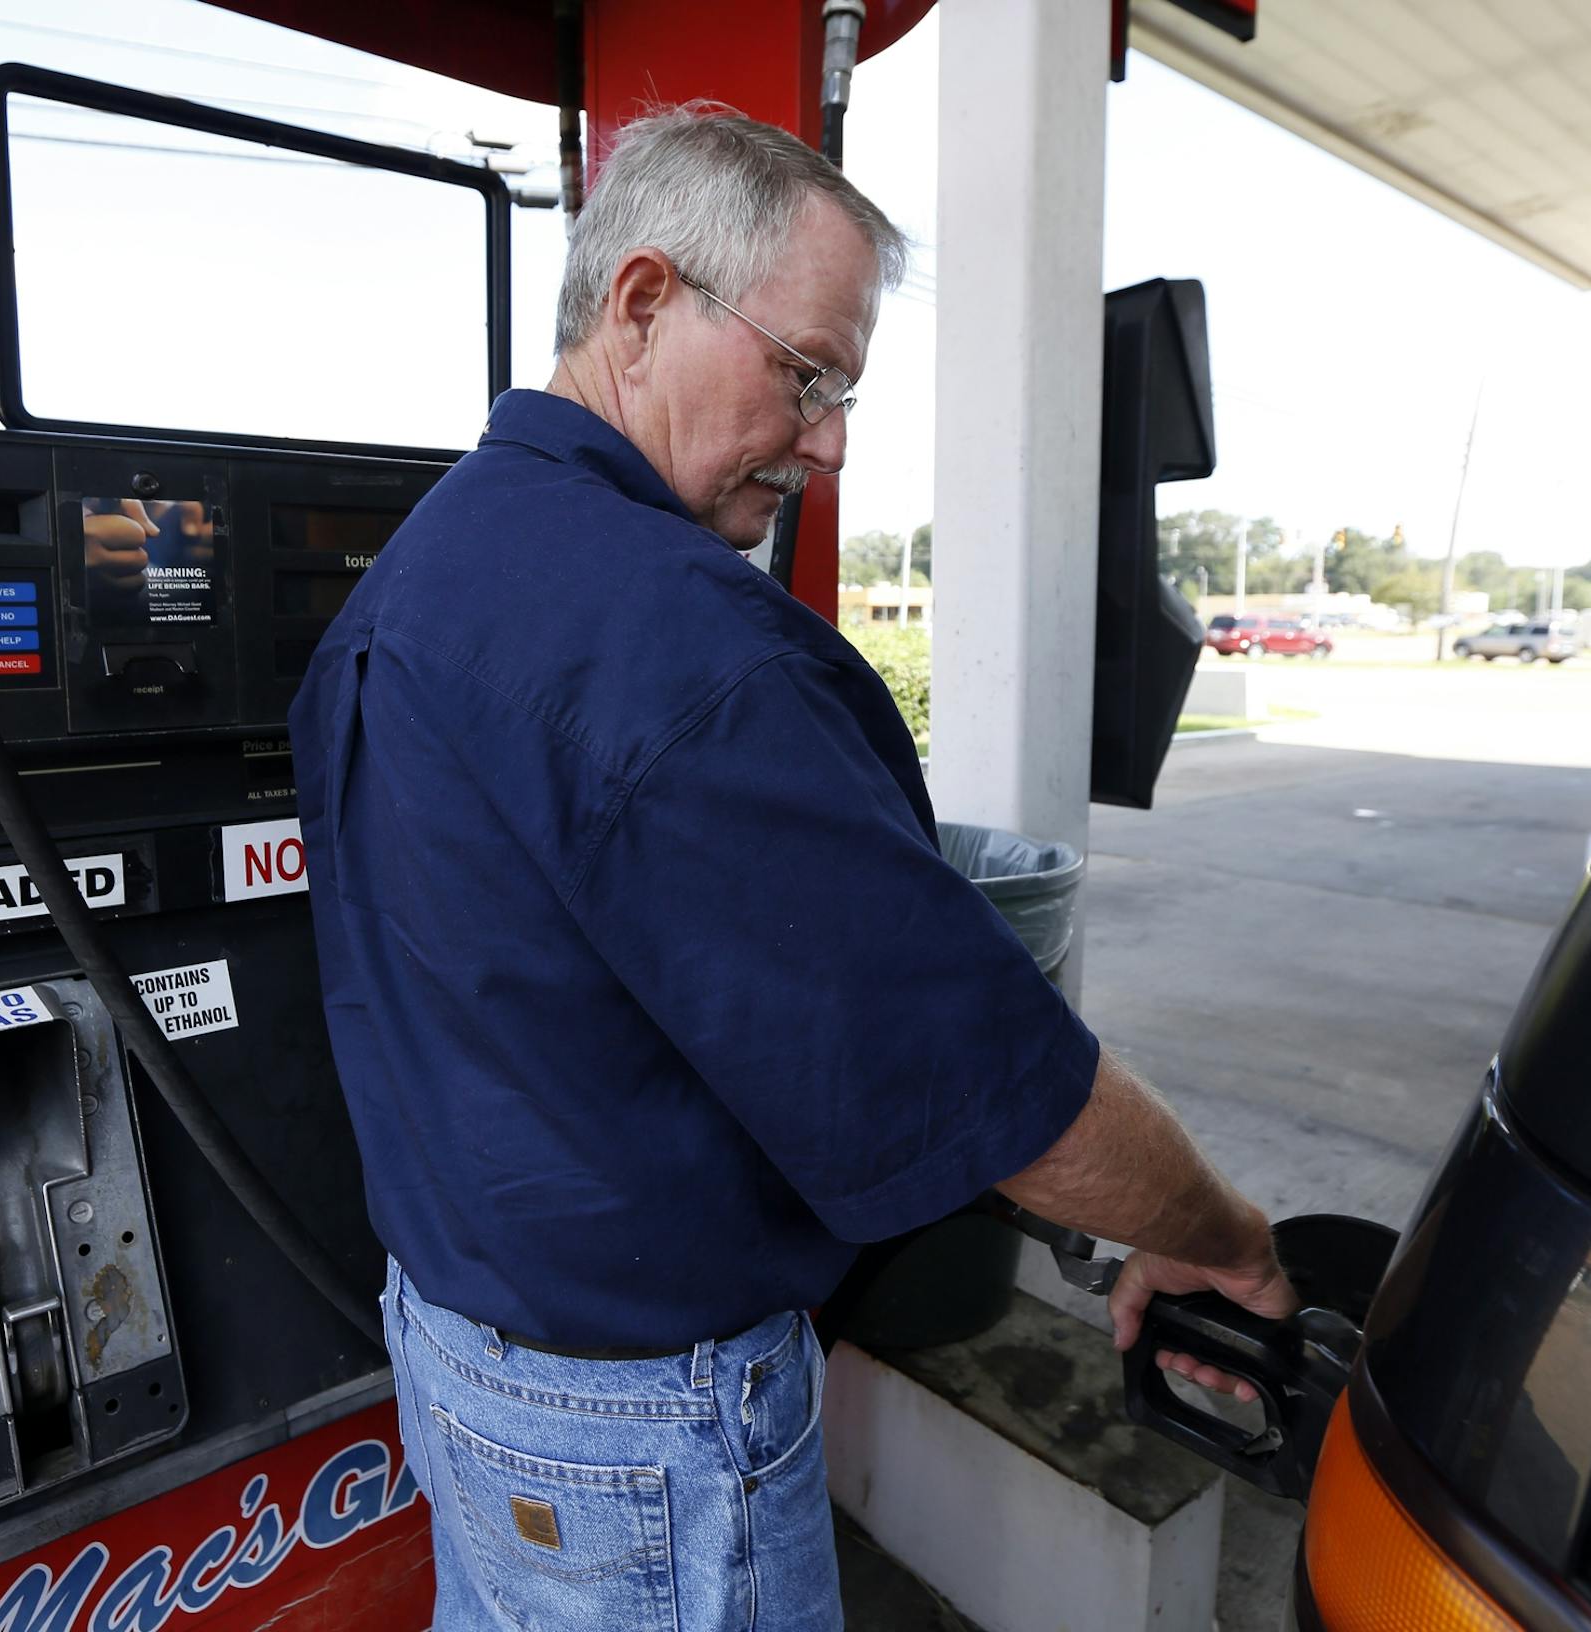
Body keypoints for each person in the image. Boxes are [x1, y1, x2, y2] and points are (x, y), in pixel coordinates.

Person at [288, 107, 1294, 1632]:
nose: (829, 440)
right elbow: (990, 1086)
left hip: (458, 1360)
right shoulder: (679, 652)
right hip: (640, 1438)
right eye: (806, 374)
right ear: (640, 305)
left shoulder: (424, 571)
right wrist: (1217, 1234)